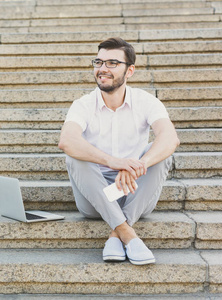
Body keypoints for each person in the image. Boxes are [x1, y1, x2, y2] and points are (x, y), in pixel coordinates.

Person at [58, 37, 180, 265]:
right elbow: (67, 140)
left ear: (130, 70)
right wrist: (114, 162)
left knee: (159, 153)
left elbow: (170, 138)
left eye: (112, 63)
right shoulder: (83, 105)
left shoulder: (146, 101)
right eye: (99, 62)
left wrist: (136, 165)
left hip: (135, 192)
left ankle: (116, 233)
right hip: (96, 196)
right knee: (76, 156)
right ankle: (127, 234)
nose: (102, 69)